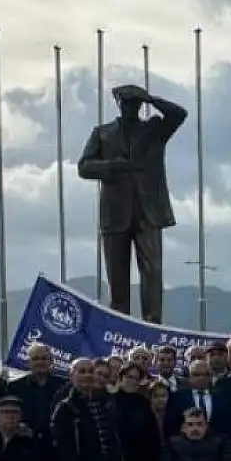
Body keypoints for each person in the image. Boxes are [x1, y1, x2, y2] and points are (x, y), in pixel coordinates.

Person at [77, 83, 188, 322]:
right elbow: (84, 167)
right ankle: (120, 324)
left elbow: (179, 114)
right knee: (117, 278)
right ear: (119, 104)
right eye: (127, 103)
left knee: (153, 273)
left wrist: (151, 98)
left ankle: (153, 324)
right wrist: (111, 166)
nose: (132, 107)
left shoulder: (155, 130)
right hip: (115, 214)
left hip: (149, 212)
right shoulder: (103, 133)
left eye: (136, 103)